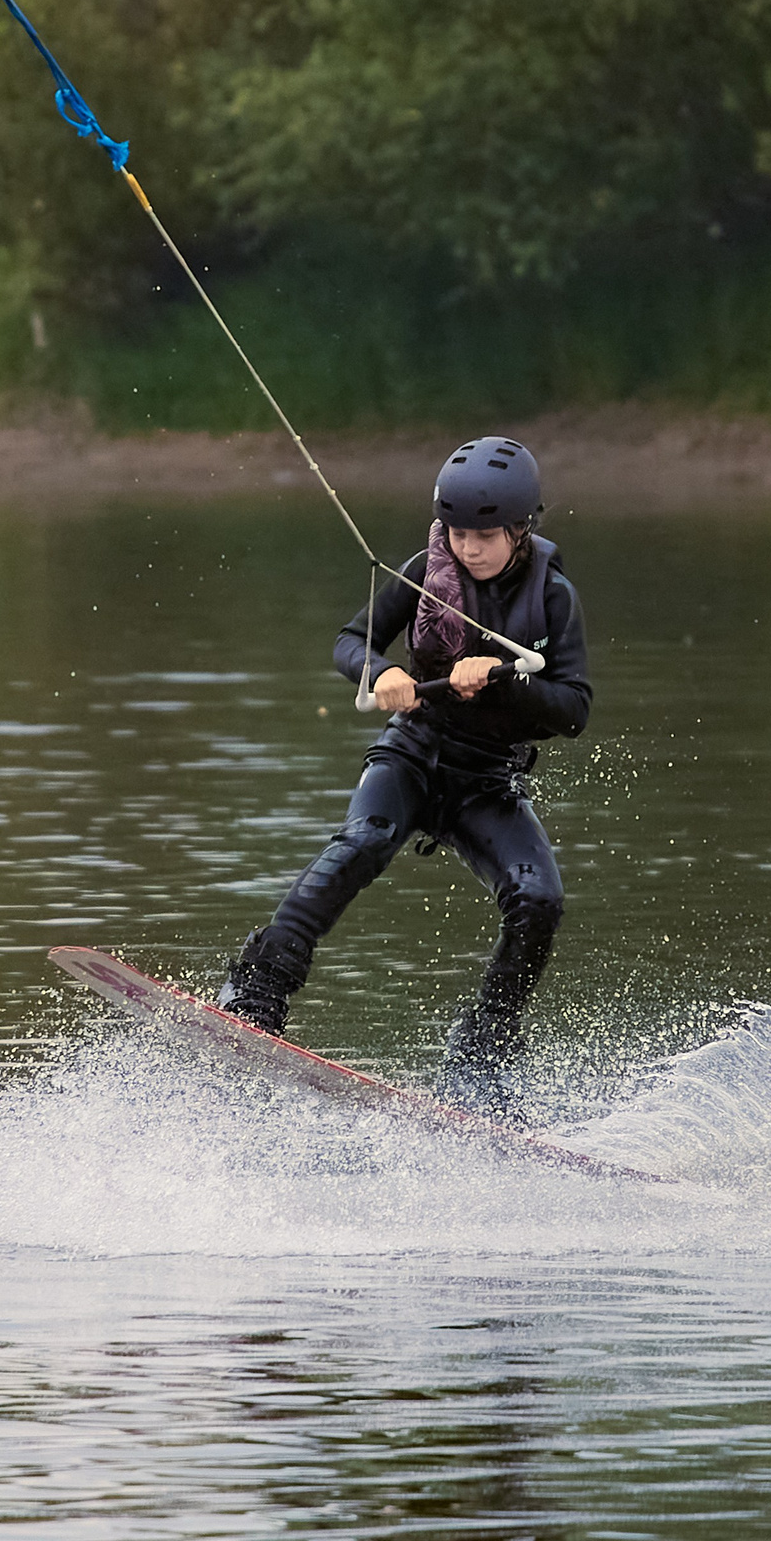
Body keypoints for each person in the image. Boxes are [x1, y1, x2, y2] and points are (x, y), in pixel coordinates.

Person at [215, 435, 592, 1119]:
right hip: (413, 755)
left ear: (519, 528)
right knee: (364, 839)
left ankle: (483, 1056)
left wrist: (502, 683)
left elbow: (574, 709)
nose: (467, 547)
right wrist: (382, 670)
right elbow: (349, 640)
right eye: (457, 531)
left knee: (540, 900)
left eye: (483, 534)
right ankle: (258, 986)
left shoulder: (553, 598)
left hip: (488, 783)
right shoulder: (426, 571)